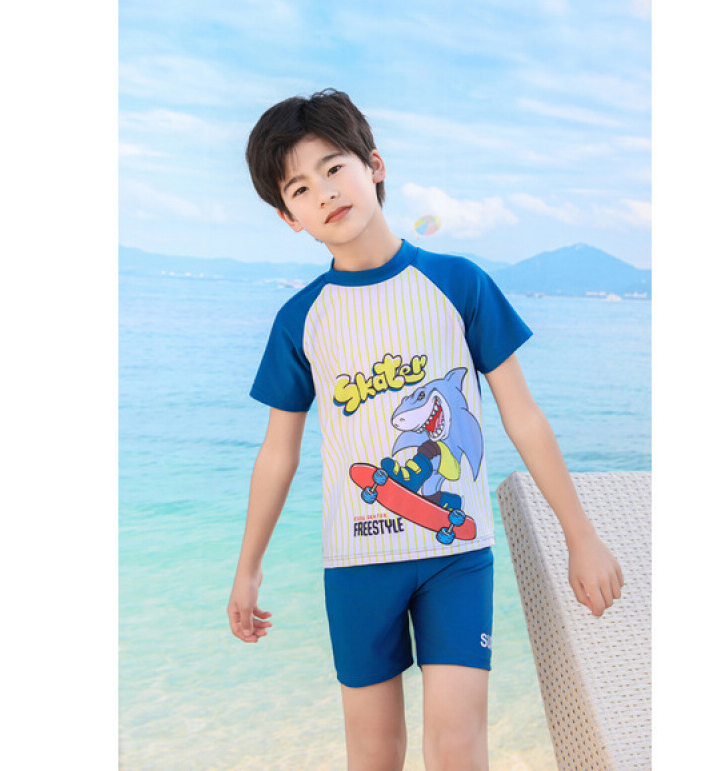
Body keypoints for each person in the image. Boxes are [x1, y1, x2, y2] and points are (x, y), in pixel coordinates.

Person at [227, 89, 624, 771]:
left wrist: (579, 535)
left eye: (334, 167)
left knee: (458, 746)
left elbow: (522, 416)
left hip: (457, 552)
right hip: (354, 562)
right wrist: (247, 569)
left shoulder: (459, 283)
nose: (324, 192)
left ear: (374, 165)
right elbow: (277, 454)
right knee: (374, 752)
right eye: (300, 188)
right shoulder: (300, 320)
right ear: (288, 216)